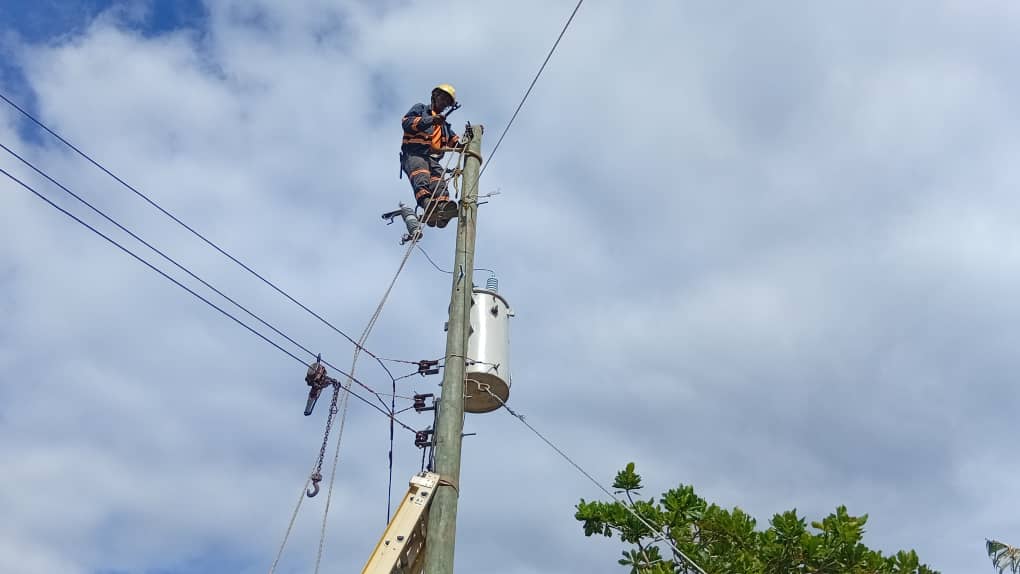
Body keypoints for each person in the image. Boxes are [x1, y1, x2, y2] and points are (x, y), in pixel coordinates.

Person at [400, 83, 462, 228]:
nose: (444, 103)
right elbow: (407, 123)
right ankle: (427, 204)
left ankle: (442, 208)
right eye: (443, 98)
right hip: (415, 153)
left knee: (439, 181)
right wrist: (431, 120)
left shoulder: (444, 125)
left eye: (447, 101)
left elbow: (456, 143)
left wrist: (472, 137)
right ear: (435, 96)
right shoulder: (421, 109)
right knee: (421, 176)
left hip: (433, 159)